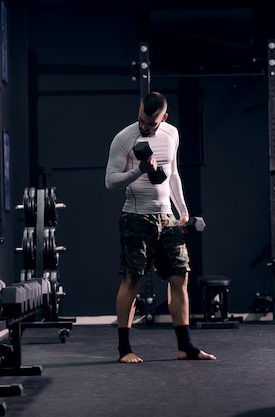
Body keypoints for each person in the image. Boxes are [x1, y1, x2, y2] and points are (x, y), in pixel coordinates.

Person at [104, 92, 216, 364]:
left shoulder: (171, 134)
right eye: (141, 119)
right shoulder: (124, 138)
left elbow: (173, 173)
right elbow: (110, 182)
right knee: (133, 280)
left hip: (167, 218)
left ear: (163, 118)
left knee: (180, 278)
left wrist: (183, 210)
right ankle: (124, 350)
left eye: (150, 123)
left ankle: (185, 346)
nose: (144, 126)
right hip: (135, 216)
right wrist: (139, 170)